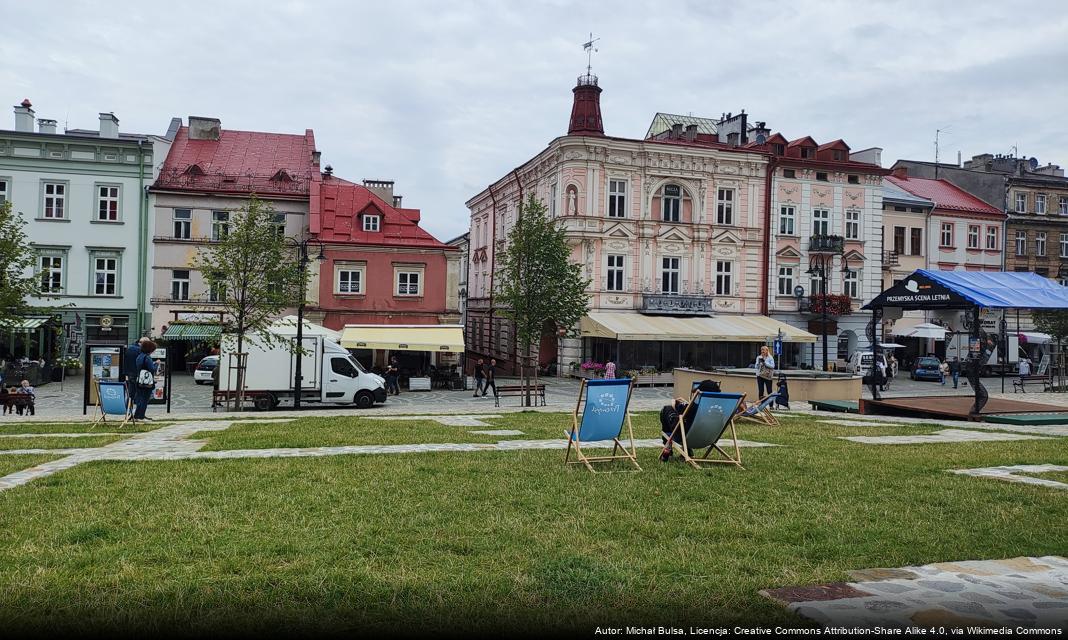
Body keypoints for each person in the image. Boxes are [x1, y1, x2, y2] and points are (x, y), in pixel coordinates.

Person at [659, 379, 720, 461]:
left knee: (667, 409)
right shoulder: (719, 410)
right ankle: (685, 449)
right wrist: (687, 404)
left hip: (688, 438)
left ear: (700, 392)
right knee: (683, 418)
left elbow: (676, 406)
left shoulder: (694, 407)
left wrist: (677, 402)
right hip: (708, 439)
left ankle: (668, 445)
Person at [131, 341, 160, 423]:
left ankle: (137, 415)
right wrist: (157, 364)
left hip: (140, 380)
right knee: (145, 399)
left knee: (140, 398)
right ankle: (141, 416)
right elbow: (152, 369)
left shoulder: (139, 357)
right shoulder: (147, 357)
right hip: (147, 383)